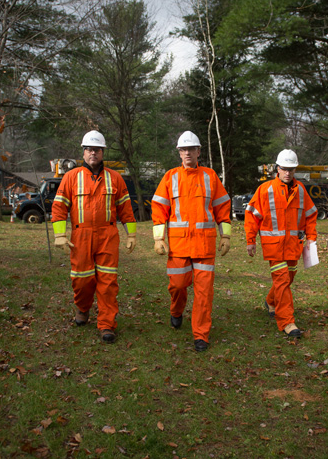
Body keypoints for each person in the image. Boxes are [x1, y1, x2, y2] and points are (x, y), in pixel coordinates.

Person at [51, 130, 137, 344]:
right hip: (80, 236)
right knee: (82, 280)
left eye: (97, 150)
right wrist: (60, 234)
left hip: (108, 235)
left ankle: (107, 324)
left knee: (108, 282)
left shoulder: (115, 178)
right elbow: (59, 206)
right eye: (89, 149)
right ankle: (82, 308)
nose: (93, 153)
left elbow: (126, 209)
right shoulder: (71, 177)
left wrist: (132, 234)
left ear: (102, 152)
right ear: (84, 152)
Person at [151, 131, 232, 352]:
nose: (187, 153)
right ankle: (176, 311)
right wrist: (159, 238)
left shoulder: (210, 176)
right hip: (178, 246)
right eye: (183, 149)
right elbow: (159, 207)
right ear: (179, 153)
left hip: (205, 246)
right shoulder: (170, 177)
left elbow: (223, 207)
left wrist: (226, 235)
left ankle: (201, 335)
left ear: (198, 151)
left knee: (204, 293)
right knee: (177, 286)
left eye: (191, 149)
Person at [245, 149, 317, 338]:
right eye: (284, 169)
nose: (287, 173)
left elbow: (310, 215)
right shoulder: (265, 189)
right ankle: (287, 322)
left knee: (288, 279)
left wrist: (312, 238)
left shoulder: (300, 190)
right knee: (283, 280)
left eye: (291, 169)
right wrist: (250, 240)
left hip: (294, 245)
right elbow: (252, 215)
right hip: (274, 246)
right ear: (277, 168)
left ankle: (270, 301)